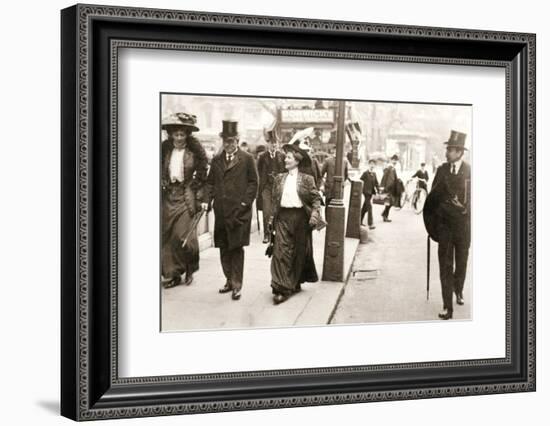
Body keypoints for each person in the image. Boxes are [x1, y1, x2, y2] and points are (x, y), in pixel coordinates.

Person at [203, 120, 259, 301]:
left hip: (239, 213)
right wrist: (206, 200)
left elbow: (253, 183)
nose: (228, 145)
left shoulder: (247, 159)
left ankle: (237, 285)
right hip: (221, 212)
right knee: (223, 248)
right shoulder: (217, 159)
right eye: (225, 141)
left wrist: (245, 204)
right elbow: (210, 182)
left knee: (236, 248)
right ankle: (229, 280)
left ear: (237, 140)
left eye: (232, 141)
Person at [268, 139, 325, 305]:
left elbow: (315, 199)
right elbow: (274, 201)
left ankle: (294, 282)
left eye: (289, 158)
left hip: (301, 219)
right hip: (283, 218)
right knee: (280, 252)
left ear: (297, 161)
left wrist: (315, 215)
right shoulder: (279, 178)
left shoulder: (307, 179)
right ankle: (281, 287)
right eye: (285, 157)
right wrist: (271, 219)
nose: (285, 160)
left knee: (298, 253)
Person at [423, 130, 471, 320]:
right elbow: (432, 198)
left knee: (461, 262)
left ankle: (458, 289)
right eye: (448, 149)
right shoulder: (442, 170)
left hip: (463, 227)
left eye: (450, 150)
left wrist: (468, 210)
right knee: (445, 264)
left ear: (459, 152)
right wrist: (433, 226)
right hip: (444, 227)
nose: (447, 153)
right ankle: (447, 307)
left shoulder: (470, 171)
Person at [160, 112, 208, 289]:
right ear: (171, 134)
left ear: (187, 135)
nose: (179, 138)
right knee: (166, 236)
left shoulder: (194, 152)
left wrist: (199, 194)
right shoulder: (164, 150)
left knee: (183, 236)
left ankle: (190, 267)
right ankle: (172, 274)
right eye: (176, 134)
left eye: (182, 135)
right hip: (168, 196)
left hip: (186, 196)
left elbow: (203, 175)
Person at [257, 129, 286, 243]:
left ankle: (276, 233)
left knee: (277, 211)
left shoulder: (282, 156)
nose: (273, 145)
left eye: (275, 143)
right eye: (271, 143)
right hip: (266, 188)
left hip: (279, 188)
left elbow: (285, 171)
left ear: (277, 144)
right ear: (267, 143)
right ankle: (266, 235)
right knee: (266, 212)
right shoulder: (262, 157)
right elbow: (258, 172)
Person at [359, 159, 380, 229]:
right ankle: (370, 224)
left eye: (373, 164)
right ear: (369, 164)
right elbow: (360, 180)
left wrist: (378, 191)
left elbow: (376, 183)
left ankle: (359, 221)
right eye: (371, 164)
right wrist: (362, 188)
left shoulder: (374, 174)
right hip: (366, 192)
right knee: (370, 207)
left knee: (365, 208)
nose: (372, 165)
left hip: (371, 193)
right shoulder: (365, 173)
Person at [380, 154, 400, 222]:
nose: (395, 161)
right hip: (388, 188)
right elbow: (384, 177)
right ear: (391, 160)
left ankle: (384, 215)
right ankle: (385, 216)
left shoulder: (393, 168)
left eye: (396, 160)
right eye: (394, 160)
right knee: (389, 202)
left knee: (390, 203)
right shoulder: (389, 168)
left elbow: (394, 178)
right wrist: (382, 187)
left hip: (392, 188)